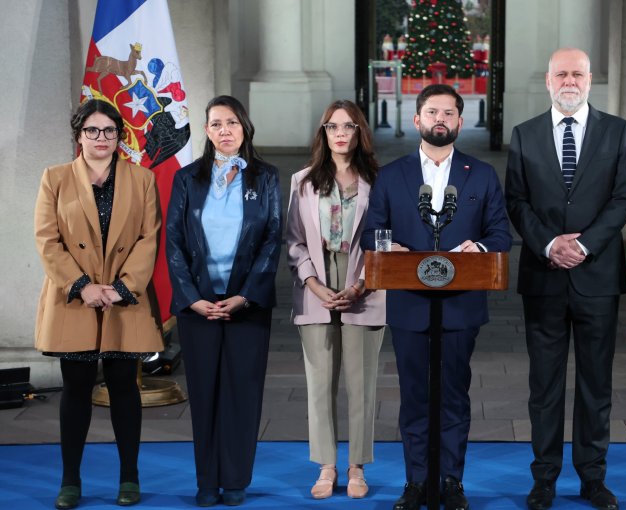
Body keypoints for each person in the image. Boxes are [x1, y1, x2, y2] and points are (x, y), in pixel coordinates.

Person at [362, 84, 512, 510]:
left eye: (449, 112)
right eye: (432, 112)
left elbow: (500, 232)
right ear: (417, 120)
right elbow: (374, 230)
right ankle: (415, 482)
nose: (440, 119)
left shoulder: (480, 175)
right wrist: (389, 246)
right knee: (413, 396)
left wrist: (478, 249)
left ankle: (450, 480)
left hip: (461, 305)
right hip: (409, 307)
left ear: (461, 122)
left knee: (453, 396)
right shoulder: (392, 176)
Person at [505, 47, 626, 510]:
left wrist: (582, 245)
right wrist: (549, 245)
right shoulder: (523, 135)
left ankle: (592, 478)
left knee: (595, 385)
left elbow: (625, 198)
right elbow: (516, 201)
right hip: (543, 279)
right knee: (543, 387)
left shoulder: (618, 132)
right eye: (561, 73)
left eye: (577, 74)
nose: (569, 81)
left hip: (596, 277)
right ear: (547, 80)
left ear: (589, 80)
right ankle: (543, 480)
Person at [34, 99, 163, 509]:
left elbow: (149, 237)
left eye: (109, 131)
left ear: (119, 135)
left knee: (125, 387)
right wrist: (82, 286)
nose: (101, 138)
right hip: (75, 299)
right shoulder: (54, 178)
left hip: (125, 299)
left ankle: (130, 478)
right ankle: (70, 480)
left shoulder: (141, 178)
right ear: (79, 135)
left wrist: (122, 288)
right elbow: (47, 240)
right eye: (92, 130)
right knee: (75, 388)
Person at [166, 95, 282, 507]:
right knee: (203, 393)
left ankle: (235, 479)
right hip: (198, 304)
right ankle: (207, 480)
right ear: (207, 131)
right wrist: (191, 299)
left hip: (245, 304)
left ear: (244, 128)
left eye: (231, 122)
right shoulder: (187, 178)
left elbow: (272, 239)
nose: (224, 130)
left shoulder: (265, 177)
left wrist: (246, 295)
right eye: (215, 124)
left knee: (242, 391)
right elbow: (174, 243)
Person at [285, 100, 386, 500]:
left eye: (348, 126)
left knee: (362, 385)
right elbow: (293, 241)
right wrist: (313, 282)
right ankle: (327, 465)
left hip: (366, 283)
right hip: (316, 285)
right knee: (320, 384)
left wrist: (361, 283)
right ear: (323, 133)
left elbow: (386, 240)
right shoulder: (302, 180)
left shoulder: (379, 179)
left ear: (360, 132)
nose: (340, 133)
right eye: (332, 127)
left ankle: (357, 467)